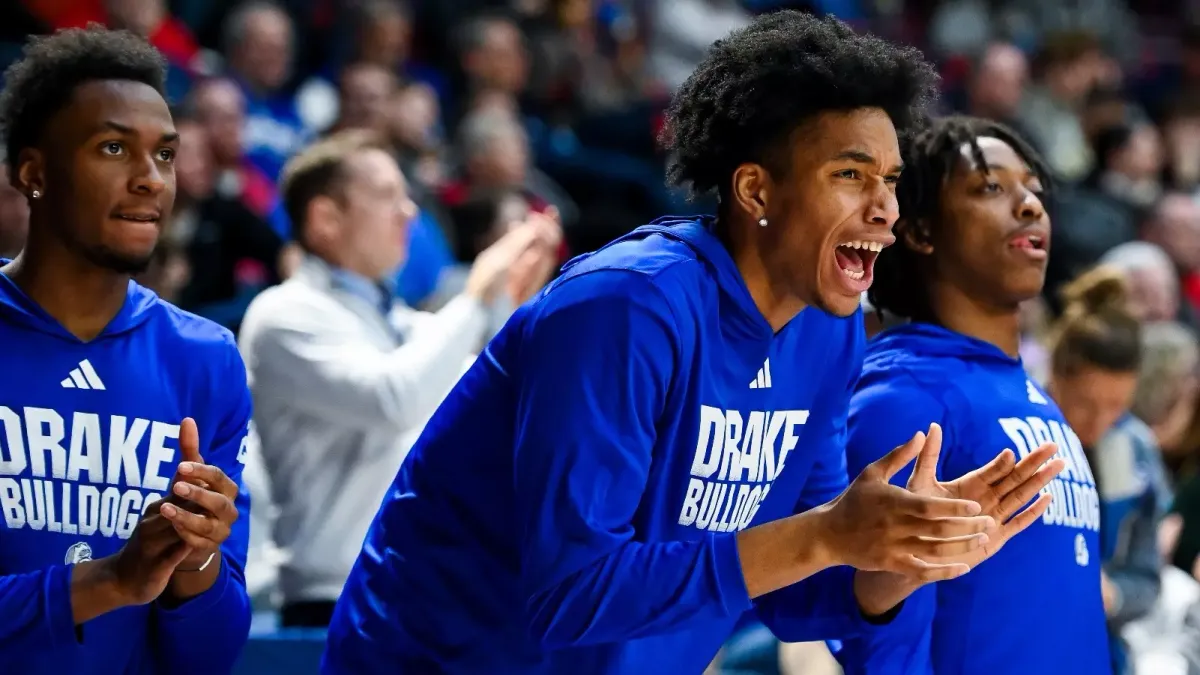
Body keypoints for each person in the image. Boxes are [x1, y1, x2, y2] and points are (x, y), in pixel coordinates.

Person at [323, 13, 1061, 674]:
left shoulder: (827, 330)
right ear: (755, 192)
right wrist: (826, 534)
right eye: (850, 175)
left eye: (893, 180)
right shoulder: (624, 307)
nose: (886, 209)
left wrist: (897, 553)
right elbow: (570, 596)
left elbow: (794, 586)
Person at [0, 26, 252, 674]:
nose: (150, 180)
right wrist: (112, 581)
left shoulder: (207, 359)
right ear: (33, 172)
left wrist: (195, 556)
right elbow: (117, 583)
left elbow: (210, 655)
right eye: (114, 147)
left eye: (165, 155)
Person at [237, 130, 558, 628]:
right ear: (325, 218)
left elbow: (498, 401)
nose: (410, 212)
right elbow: (395, 398)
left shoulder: (406, 325)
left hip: (425, 596)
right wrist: (476, 293)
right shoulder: (284, 314)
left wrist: (513, 303)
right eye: (387, 195)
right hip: (332, 604)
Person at [834, 116, 1110, 675]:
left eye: (1032, 186)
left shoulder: (1025, 388)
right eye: (991, 187)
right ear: (920, 231)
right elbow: (862, 625)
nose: (1030, 203)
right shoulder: (904, 394)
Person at [1047, 268, 1165, 674]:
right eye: (1084, 402)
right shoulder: (1019, 429)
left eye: (1117, 406)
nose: (1099, 421)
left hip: (1101, 649)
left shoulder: (1137, 450)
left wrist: (1113, 595)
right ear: (1056, 373)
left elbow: (1148, 579)